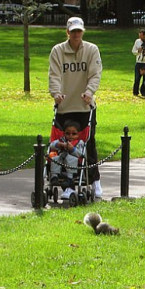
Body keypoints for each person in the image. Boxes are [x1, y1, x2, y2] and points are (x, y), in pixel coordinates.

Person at [48, 16, 103, 198]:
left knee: (88, 144)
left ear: (83, 32)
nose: (76, 34)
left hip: (84, 106)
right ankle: (67, 184)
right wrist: (56, 93)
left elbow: (95, 74)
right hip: (65, 106)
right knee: (63, 147)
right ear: (68, 32)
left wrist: (89, 92)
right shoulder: (57, 51)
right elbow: (54, 75)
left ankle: (95, 181)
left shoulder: (91, 50)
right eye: (73, 32)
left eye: (79, 31)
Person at [49, 121, 85, 198]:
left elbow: (81, 154)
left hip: (74, 163)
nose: (70, 136)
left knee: (70, 158)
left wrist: (72, 149)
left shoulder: (80, 142)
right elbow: (51, 145)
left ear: (78, 134)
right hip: (61, 161)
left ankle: (69, 178)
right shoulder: (61, 140)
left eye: (74, 134)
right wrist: (58, 145)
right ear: (64, 133)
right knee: (55, 158)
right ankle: (54, 176)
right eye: (67, 133)